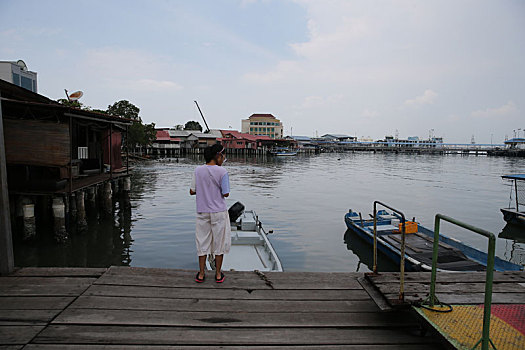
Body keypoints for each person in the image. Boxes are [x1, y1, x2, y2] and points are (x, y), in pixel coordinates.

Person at [190, 144, 230, 283]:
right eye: (223, 156)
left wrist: (203, 189)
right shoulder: (222, 172)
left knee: (202, 243)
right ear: (217, 156)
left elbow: (192, 191)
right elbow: (226, 193)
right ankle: (218, 274)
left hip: (202, 211)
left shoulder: (198, 170)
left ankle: (201, 274)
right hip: (219, 212)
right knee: (219, 244)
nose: (223, 159)